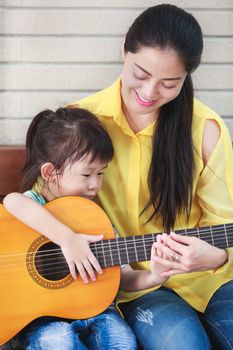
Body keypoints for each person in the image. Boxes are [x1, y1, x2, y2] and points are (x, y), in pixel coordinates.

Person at [4, 3, 233, 349]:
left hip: (213, 282)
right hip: (137, 285)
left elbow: (224, 226)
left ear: (186, 77)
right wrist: (66, 238)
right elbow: (35, 212)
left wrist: (214, 256)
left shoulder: (207, 130)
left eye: (170, 83)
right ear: (124, 48)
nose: (150, 92)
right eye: (141, 73)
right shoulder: (82, 125)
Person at [3, 107, 173, 350]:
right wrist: (67, 239)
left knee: (122, 342)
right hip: (42, 319)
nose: (95, 184)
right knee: (58, 342)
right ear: (50, 172)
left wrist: (154, 276)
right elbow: (12, 201)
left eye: (101, 173)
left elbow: (124, 277)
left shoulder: (95, 217)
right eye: (86, 174)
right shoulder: (35, 205)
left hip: (99, 313)